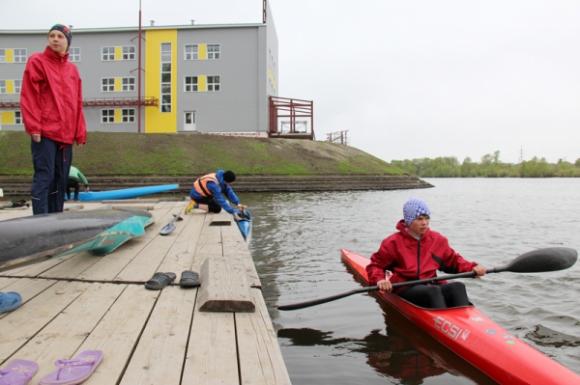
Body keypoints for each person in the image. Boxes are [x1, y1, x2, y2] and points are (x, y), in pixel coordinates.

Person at [366, 198, 486, 309]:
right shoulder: (393, 242)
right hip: (405, 286)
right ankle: (441, 324)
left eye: (426, 218)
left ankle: (464, 321)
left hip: (431, 283)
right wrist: (380, 280)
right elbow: (375, 265)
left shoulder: (437, 240)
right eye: (419, 219)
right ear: (408, 221)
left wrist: (472, 268)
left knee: (458, 286)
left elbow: (453, 261)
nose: (425, 222)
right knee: (433, 292)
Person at [20, 24, 87, 215]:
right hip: (45, 132)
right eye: (52, 35)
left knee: (60, 179)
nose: (55, 39)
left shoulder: (72, 70)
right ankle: (40, 220)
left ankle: (56, 219)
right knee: (44, 176)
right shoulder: (37, 62)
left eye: (60, 36)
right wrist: (34, 127)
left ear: (68, 42)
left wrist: (79, 131)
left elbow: (77, 102)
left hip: (65, 136)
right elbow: (29, 96)